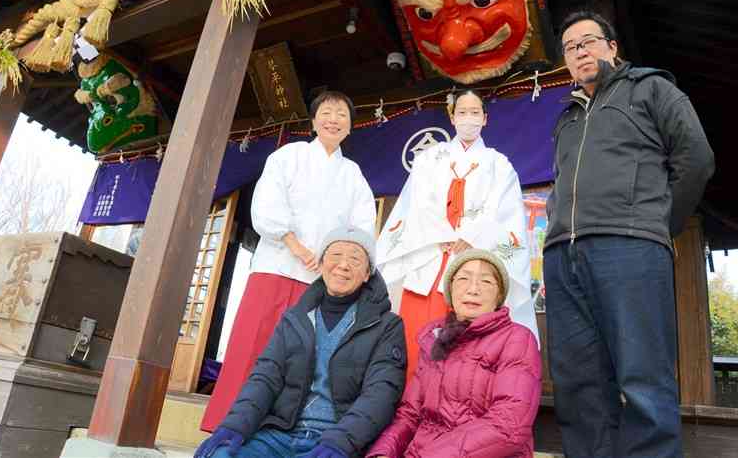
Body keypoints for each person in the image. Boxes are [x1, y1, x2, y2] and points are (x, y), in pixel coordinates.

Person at [544, 10, 715, 458]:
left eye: (588, 41)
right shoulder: (567, 118)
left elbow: (696, 158)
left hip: (630, 246)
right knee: (578, 381)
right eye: (570, 47)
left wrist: (659, 223)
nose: (580, 51)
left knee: (643, 374)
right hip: (564, 256)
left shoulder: (651, 89)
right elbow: (561, 184)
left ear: (612, 46)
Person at [202, 91, 377, 431]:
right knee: (253, 344)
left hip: (320, 280)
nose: (333, 120)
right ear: (313, 121)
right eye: (326, 112)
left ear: (350, 127)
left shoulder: (353, 174)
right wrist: (292, 242)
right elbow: (267, 203)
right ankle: (226, 426)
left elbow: (362, 225)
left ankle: (276, 431)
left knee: (300, 358)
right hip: (277, 267)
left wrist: (338, 260)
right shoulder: (289, 156)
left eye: (342, 115)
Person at [195, 226, 406, 458]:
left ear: (368, 274)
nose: (343, 265)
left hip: (333, 440)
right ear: (322, 263)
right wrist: (234, 426)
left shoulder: (387, 326)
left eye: (355, 259)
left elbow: (381, 394)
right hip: (279, 434)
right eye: (335, 255)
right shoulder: (294, 318)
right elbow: (265, 377)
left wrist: (341, 442)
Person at [376, 89, 537, 380]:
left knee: (467, 347)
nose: (468, 118)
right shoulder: (428, 158)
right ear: (452, 117)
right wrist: (442, 234)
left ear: (485, 119)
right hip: (431, 255)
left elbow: (506, 212)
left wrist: (471, 236)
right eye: (462, 112)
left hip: (474, 257)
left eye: (475, 112)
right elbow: (416, 203)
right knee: (415, 339)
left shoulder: (499, 165)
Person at [366, 249, 541, 458]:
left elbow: (508, 425)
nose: (473, 289)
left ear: (499, 297)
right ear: (450, 291)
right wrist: (384, 451)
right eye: (463, 279)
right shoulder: (434, 339)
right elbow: (409, 414)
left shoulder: (517, 339)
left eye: (486, 282)